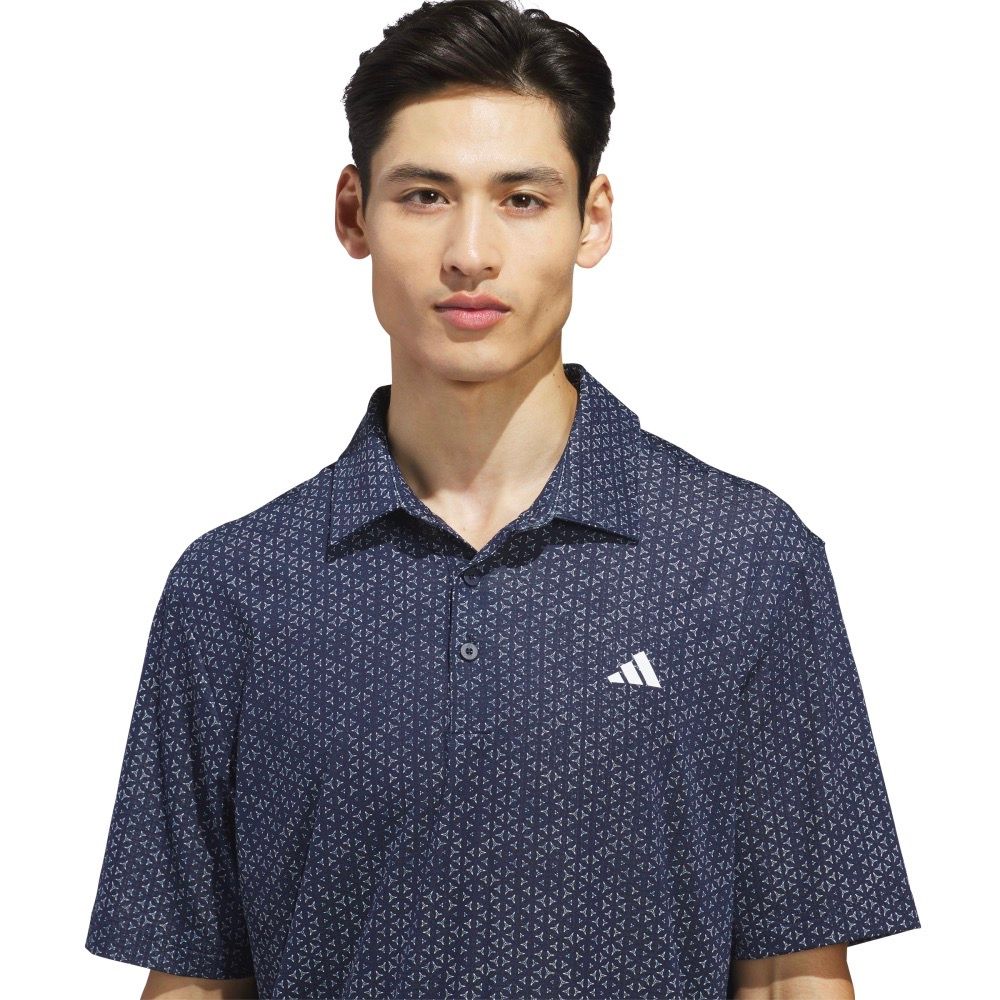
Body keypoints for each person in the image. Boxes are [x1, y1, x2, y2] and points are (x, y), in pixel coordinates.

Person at [84, 2, 921, 997]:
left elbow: (791, 975)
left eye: (522, 199)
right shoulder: (236, 588)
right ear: (353, 214)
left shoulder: (741, 560)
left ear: (591, 218)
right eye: (425, 196)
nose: (470, 253)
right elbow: (193, 981)